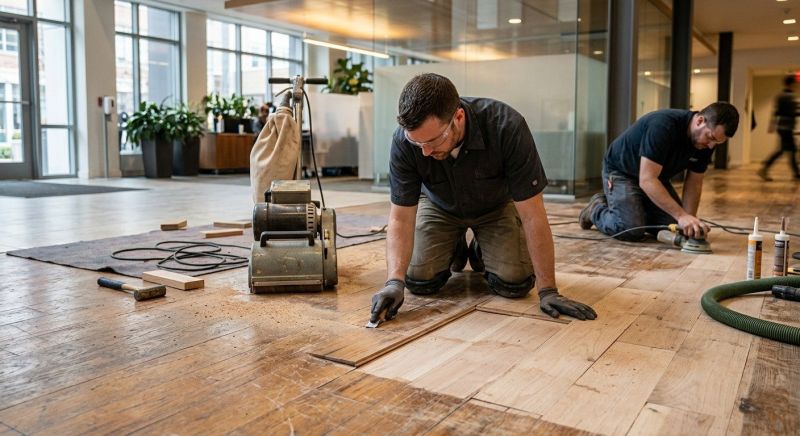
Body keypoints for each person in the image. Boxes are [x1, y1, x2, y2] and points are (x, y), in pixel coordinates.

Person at [368, 73, 597, 325]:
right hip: (439, 207)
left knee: (515, 283)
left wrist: (548, 290)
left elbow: (533, 215)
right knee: (420, 281)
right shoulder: (405, 140)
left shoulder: (507, 126)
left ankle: (481, 247)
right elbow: (400, 218)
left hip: (495, 207)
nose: (425, 151)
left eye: (433, 140)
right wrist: (393, 282)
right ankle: (451, 243)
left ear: (458, 117)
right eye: (417, 142)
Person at [579, 102, 740, 241]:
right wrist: (681, 216)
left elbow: (694, 183)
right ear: (699, 121)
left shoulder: (705, 144)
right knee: (631, 229)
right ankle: (596, 208)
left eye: (717, 142)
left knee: (676, 227)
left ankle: (634, 209)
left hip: (655, 177)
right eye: (711, 137)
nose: (711, 146)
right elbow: (647, 180)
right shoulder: (663, 126)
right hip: (622, 172)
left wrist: (688, 221)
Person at [758, 75, 799, 181]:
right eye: (795, 84)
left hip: (783, 126)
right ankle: (764, 169)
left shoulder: (781, 96)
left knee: (791, 150)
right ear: (791, 84)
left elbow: (776, 112)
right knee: (784, 150)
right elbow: (790, 112)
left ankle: (796, 173)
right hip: (786, 127)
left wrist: (772, 124)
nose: (796, 86)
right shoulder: (788, 96)